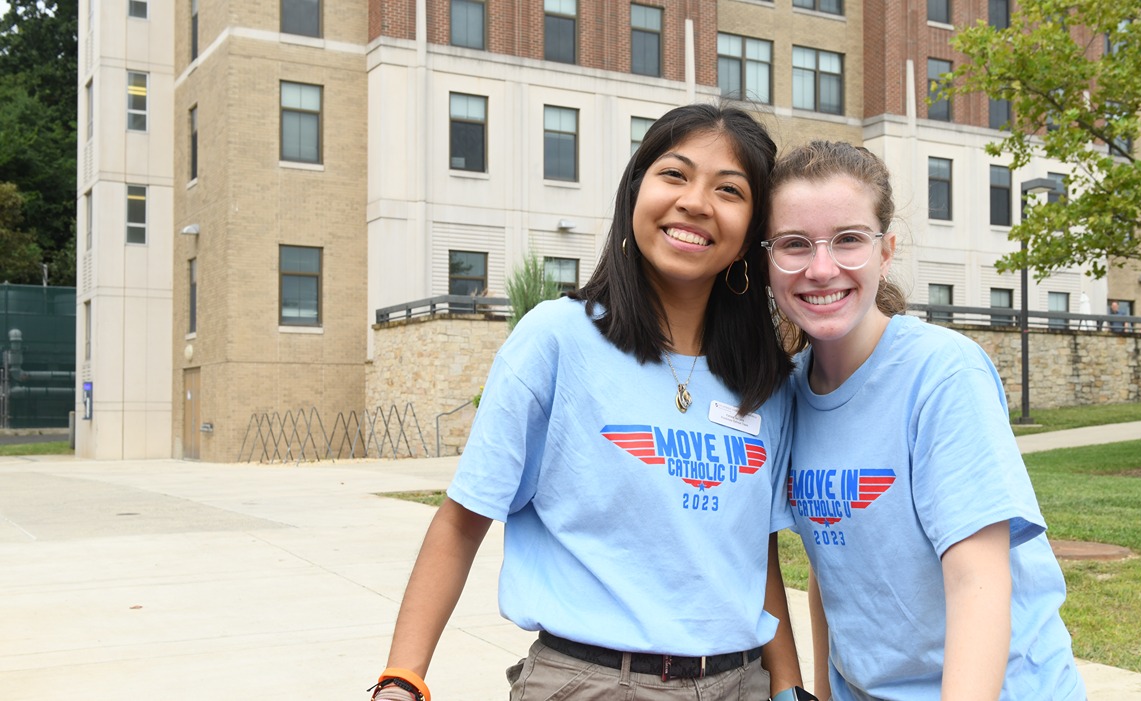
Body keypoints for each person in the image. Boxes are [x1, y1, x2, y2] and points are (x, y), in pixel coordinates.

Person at [371, 103, 815, 701]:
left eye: (729, 190)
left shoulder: (765, 380)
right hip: (594, 684)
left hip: (742, 683)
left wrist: (789, 688)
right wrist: (402, 678)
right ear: (635, 192)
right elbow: (462, 521)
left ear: (747, 239)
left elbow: (753, 553)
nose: (696, 202)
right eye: (675, 175)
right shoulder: (557, 339)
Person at [762, 140, 1086, 700]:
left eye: (848, 240)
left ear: (885, 251)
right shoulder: (789, 388)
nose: (821, 268)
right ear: (766, 261)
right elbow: (830, 566)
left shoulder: (942, 374)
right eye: (794, 244)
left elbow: (976, 582)